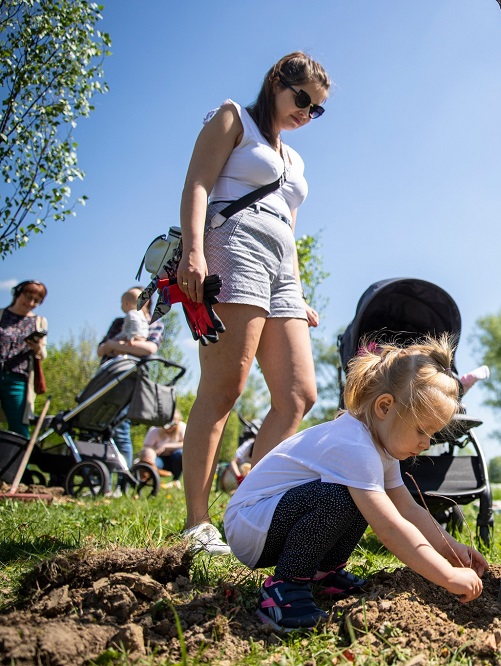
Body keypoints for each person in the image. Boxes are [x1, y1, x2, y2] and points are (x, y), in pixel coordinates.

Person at [224, 335, 487, 632]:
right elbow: (389, 527)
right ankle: (284, 588)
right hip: (250, 525)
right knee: (344, 498)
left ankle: (324, 574)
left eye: (432, 435)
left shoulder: (379, 448)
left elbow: (409, 511)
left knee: (360, 496)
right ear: (385, 407)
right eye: (421, 430)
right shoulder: (354, 445)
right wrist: (446, 576)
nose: (426, 443)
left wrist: (452, 550)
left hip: (271, 521)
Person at [175, 52, 330, 555]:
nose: (306, 112)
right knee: (224, 388)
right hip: (232, 247)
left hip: (281, 267)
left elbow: (288, 226)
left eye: (317, 109)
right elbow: (198, 183)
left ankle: (245, 508)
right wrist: (193, 251)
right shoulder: (233, 117)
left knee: (299, 395)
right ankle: (198, 523)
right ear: (276, 83)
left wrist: (298, 294)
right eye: (301, 98)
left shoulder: (295, 159)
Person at [97, 286, 165, 469]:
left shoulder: (154, 323)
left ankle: (121, 477)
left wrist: (116, 347)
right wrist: (126, 346)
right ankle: (98, 475)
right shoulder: (119, 323)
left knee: (119, 428)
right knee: (97, 426)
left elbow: (149, 349)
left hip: (129, 380)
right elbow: (101, 349)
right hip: (106, 378)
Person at [0, 281, 48, 438]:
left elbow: (43, 354)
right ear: (18, 294)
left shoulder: (39, 321)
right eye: (28, 297)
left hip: (18, 379)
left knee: (19, 427)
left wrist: (37, 347)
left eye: (36, 301)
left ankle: (20, 462)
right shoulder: (1, 315)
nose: (31, 303)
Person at [139, 409, 186, 483]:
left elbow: (185, 444)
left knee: (180, 454)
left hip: (175, 458)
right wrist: (150, 455)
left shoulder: (182, 427)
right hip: (159, 457)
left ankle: (176, 480)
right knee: (148, 462)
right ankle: (150, 479)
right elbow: (147, 447)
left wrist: (166, 446)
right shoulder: (154, 430)